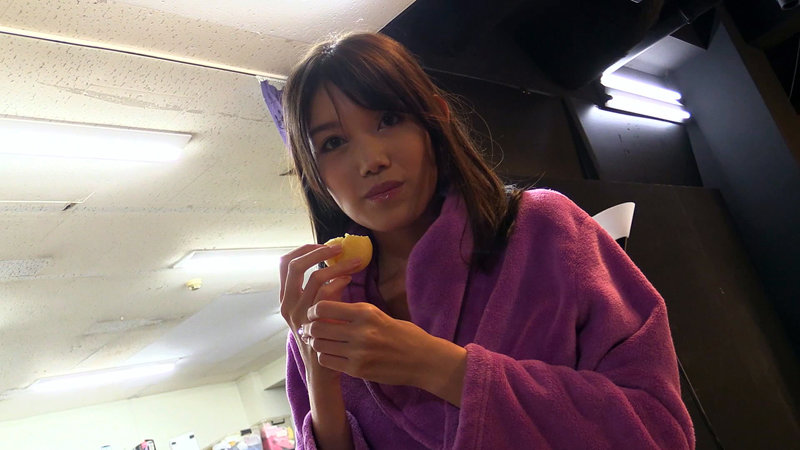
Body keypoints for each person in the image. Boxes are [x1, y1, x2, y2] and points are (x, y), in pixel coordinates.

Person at [278, 32, 694, 450]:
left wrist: (440, 367)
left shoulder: (546, 230)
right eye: (333, 142)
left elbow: (660, 431)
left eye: (388, 119)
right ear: (315, 175)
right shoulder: (322, 316)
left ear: (435, 121)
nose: (371, 161)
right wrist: (320, 384)